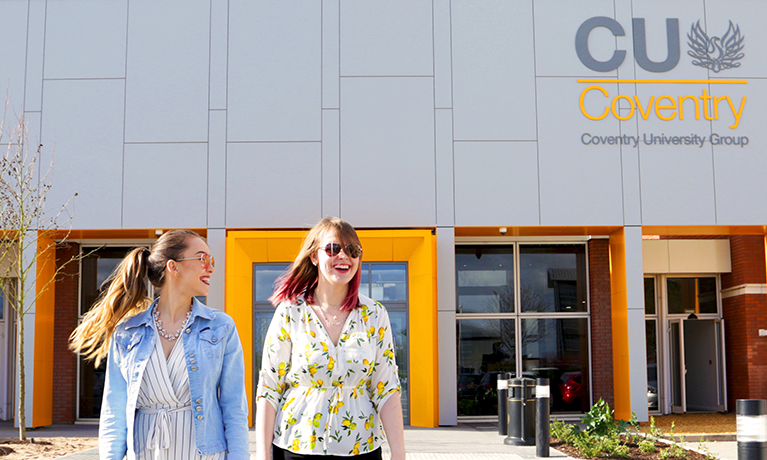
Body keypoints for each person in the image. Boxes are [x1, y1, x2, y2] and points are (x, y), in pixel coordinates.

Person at [69, 230, 249, 460]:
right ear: (173, 267)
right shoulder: (128, 333)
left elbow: (234, 407)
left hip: (205, 455)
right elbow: (114, 411)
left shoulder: (220, 327)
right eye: (203, 259)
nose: (211, 268)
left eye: (211, 261)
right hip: (146, 453)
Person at [256, 217, 405, 460]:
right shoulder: (290, 311)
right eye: (333, 248)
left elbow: (386, 386)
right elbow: (269, 387)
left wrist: (399, 455)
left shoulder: (375, 314)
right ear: (314, 256)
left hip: (361, 449)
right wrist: (263, 456)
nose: (344, 256)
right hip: (297, 447)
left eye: (352, 250)